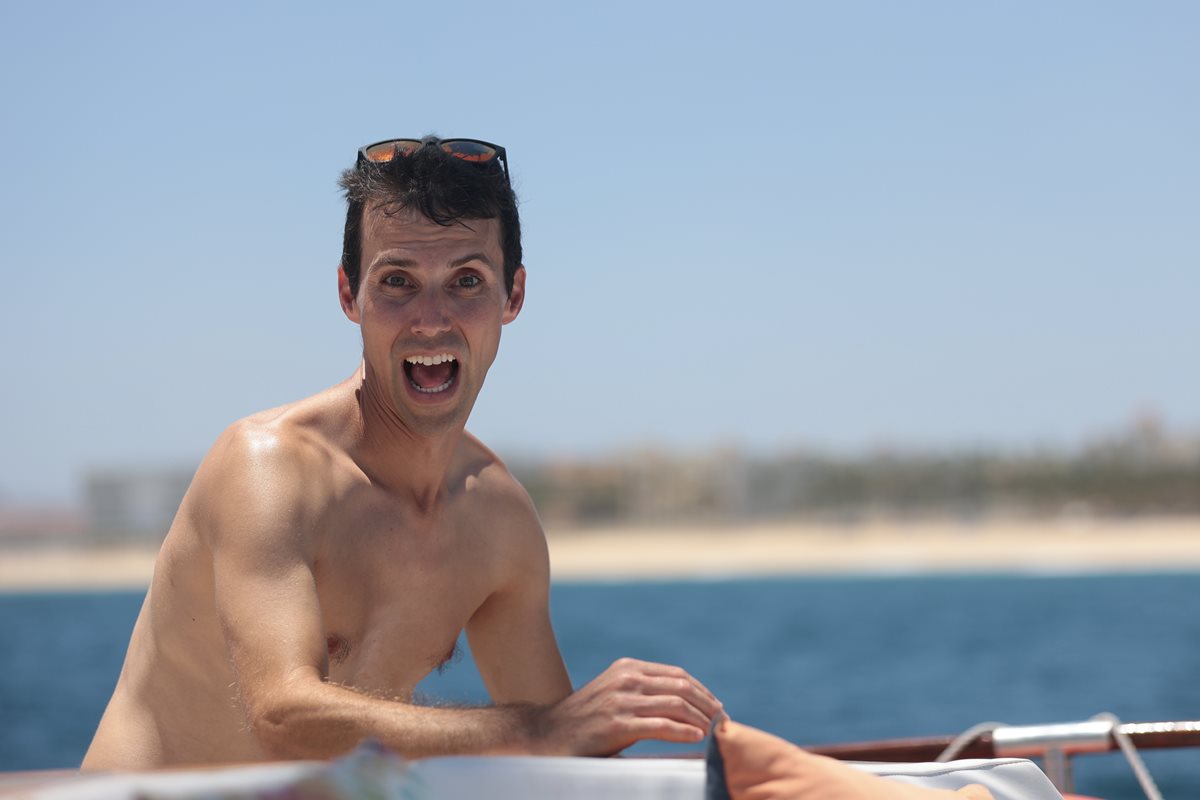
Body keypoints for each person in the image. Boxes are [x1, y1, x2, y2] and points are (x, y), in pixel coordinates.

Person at [82, 137, 722, 769]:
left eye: (467, 281)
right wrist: (540, 728)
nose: (432, 319)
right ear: (348, 295)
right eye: (397, 282)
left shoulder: (497, 524)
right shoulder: (270, 469)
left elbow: (563, 755)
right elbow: (283, 717)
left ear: (513, 296)